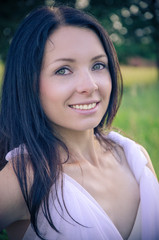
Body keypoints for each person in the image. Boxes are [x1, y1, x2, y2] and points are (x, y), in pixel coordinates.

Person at [0, 5, 159, 240]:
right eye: (63, 70)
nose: (90, 85)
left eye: (98, 65)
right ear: (28, 83)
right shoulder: (26, 177)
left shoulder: (135, 157)